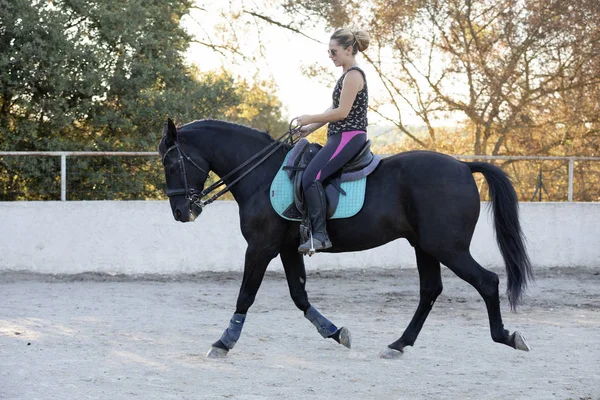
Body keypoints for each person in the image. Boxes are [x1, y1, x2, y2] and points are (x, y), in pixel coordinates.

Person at [295, 28, 370, 254]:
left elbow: (342, 113)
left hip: (349, 136)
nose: (331, 55)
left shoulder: (354, 75)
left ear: (349, 50)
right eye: (329, 51)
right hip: (339, 136)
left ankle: (320, 235)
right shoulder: (346, 76)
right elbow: (333, 108)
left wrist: (310, 116)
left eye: (334, 51)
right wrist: (310, 128)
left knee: (311, 177)